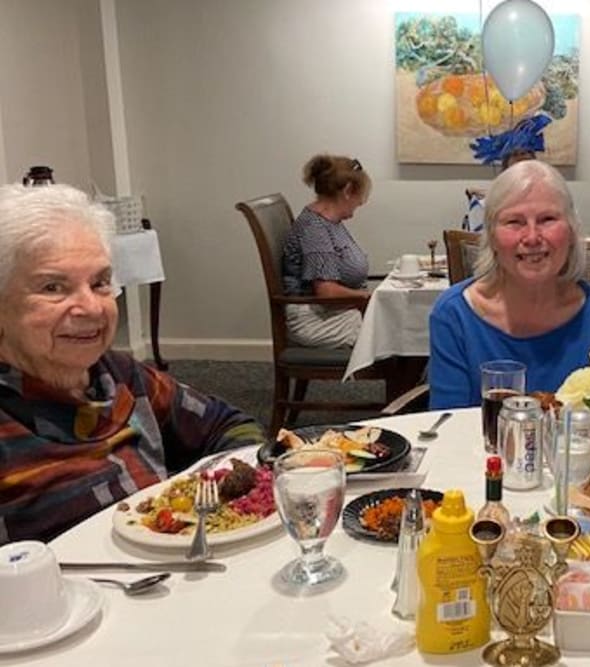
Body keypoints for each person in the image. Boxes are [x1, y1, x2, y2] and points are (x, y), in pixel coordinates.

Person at [0, 184, 265, 543]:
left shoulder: (117, 374)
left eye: (100, 283)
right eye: (53, 287)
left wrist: (231, 491)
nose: (92, 308)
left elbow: (227, 424)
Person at [430, 160, 590, 409]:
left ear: (571, 232)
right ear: (491, 236)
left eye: (547, 219)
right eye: (514, 222)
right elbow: (447, 423)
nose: (532, 237)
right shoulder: (453, 314)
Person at [282, 154, 371, 347]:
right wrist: (368, 297)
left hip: (338, 313)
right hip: (318, 321)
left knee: (407, 329)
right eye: (360, 195)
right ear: (348, 191)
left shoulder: (330, 223)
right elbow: (327, 293)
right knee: (403, 335)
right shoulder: (315, 229)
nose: (361, 202)